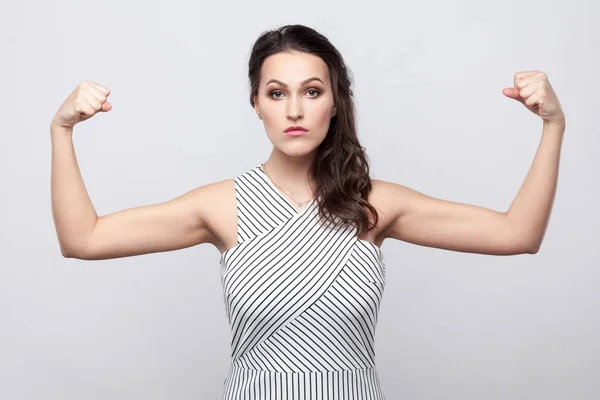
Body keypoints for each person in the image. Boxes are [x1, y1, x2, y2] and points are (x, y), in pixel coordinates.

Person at [50, 24, 566, 400]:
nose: (294, 110)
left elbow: (517, 233)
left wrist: (553, 128)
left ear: (335, 102)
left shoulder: (374, 204)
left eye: (312, 92)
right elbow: (84, 239)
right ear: (256, 102)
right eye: (277, 93)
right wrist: (62, 131)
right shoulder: (222, 205)